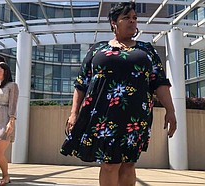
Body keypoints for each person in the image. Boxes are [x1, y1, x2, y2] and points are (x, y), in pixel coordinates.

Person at [60, 2, 177, 186]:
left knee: (129, 163)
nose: (132, 22)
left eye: (134, 18)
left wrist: (171, 110)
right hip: (103, 115)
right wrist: (74, 113)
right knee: (109, 163)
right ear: (114, 22)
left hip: (136, 116)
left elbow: (160, 82)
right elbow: (82, 83)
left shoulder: (147, 50)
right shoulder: (98, 49)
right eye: (126, 18)